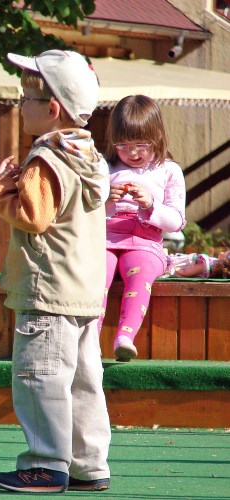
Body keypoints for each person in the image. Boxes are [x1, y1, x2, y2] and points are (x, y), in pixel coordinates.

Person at [0, 50, 112, 493]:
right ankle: (88, 463)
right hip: (82, 292)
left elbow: (33, 215)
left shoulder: (48, 158)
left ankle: (45, 464)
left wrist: (2, 188)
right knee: (82, 380)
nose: (20, 106)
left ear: (52, 108)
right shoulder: (88, 155)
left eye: (25, 98)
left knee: (39, 377)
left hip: (47, 289)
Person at [100, 95, 186, 361]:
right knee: (94, 272)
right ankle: (88, 339)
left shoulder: (168, 170)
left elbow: (176, 221)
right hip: (104, 240)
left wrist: (150, 205)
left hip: (144, 241)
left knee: (141, 270)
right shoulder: (104, 167)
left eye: (141, 145)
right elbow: (85, 213)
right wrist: (105, 202)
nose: (133, 153)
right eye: (123, 145)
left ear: (157, 136)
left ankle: (125, 336)